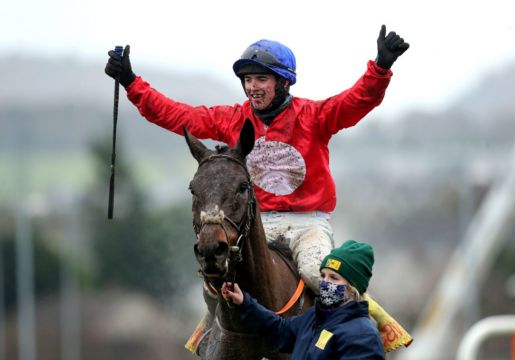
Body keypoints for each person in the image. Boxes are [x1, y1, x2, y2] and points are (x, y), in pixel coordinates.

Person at [105, 24, 411, 354]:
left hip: (308, 224)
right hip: (257, 222)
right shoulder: (232, 119)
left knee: (316, 274)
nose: (253, 87)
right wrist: (131, 83)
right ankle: (213, 333)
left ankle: (370, 323)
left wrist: (380, 68)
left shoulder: (313, 116)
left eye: (261, 79)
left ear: (283, 81)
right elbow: (175, 114)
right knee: (215, 278)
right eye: (248, 80)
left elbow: (356, 102)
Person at [221, 240, 385, 359]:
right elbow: (280, 330)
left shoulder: (363, 336)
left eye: (334, 278)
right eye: (323, 275)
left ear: (353, 288)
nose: (325, 282)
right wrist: (244, 302)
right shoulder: (314, 317)